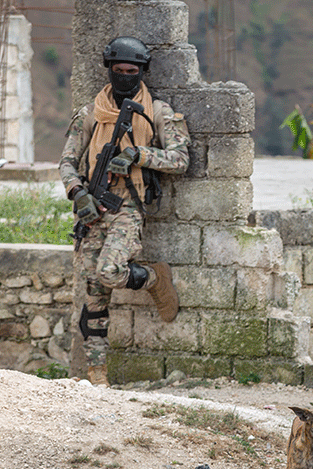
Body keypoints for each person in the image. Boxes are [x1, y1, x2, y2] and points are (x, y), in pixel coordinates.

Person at [59, 36, 189, 386]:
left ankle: (152, 278)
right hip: (92, 209)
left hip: (129, 206)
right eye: (119, 70)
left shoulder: (157, 112)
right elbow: (67, 161)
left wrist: (139, 155)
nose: (125, 77)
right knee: (94, 294)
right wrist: (77, 193)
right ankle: (96, 373)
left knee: (110, 271)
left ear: (142, 71)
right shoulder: (90, 114)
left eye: (132, 71)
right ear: (110, 70)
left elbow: (180, 159)